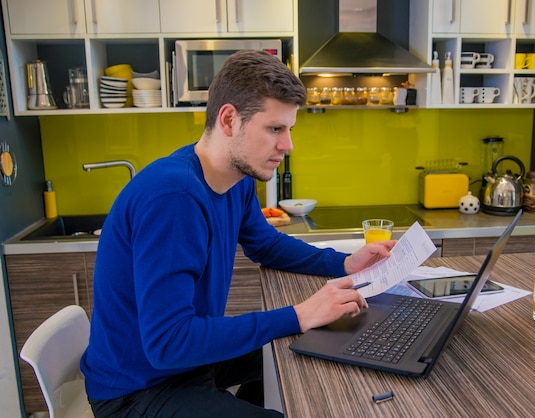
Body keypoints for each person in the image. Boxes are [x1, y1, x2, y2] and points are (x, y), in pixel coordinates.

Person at [80, 50, 396, 417]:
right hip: (138, 387)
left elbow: (267, 245)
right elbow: (167, 343)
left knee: (315, 343)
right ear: (229, 119)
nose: (288, 145)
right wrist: (298, 314)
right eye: (275, 129)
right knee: (295, 343)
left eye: (289, 129)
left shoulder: (235, 180)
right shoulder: (175, 197)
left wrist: (344, 262)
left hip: (183, 363)